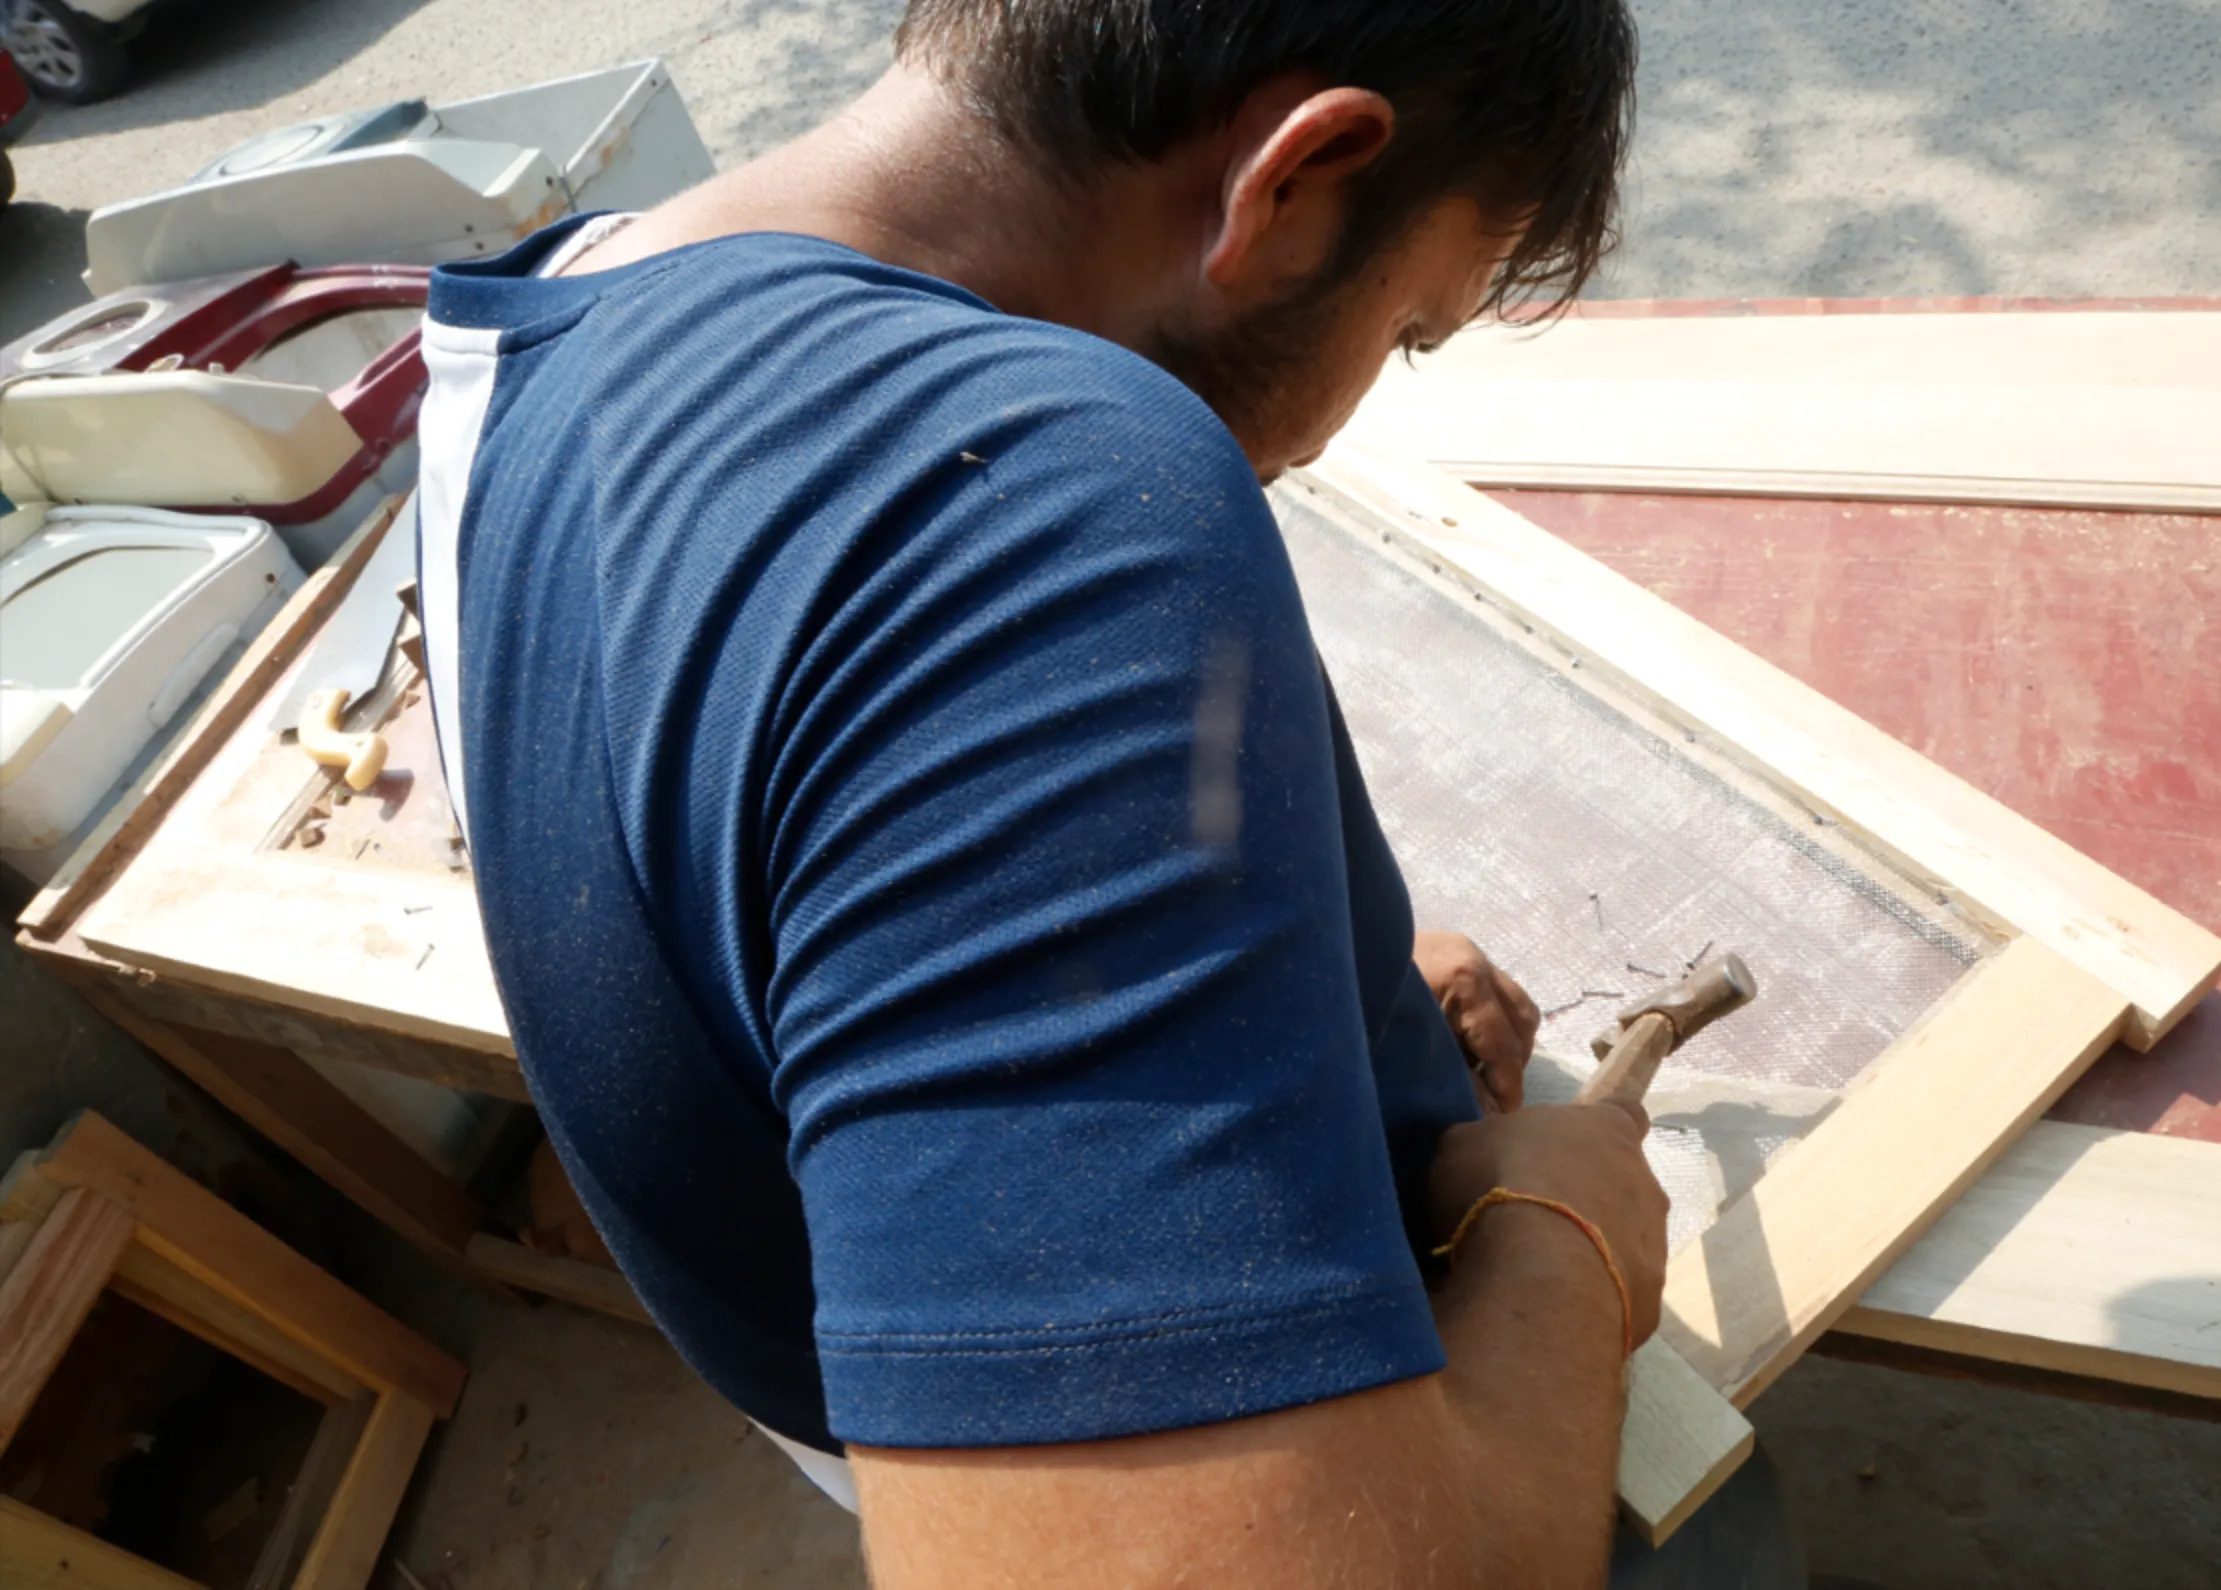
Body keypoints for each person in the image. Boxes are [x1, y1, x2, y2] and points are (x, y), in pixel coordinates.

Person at [415, 3, 1800, 1582]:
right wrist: (1561, 1245)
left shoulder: (522, 344)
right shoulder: (1038, 514)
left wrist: (1297, 998)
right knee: (1723, 1530)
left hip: (900, 1411)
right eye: (1409, 328)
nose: (1366, 400)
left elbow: (802, 893)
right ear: (1299, 177)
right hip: (1372, 1442)